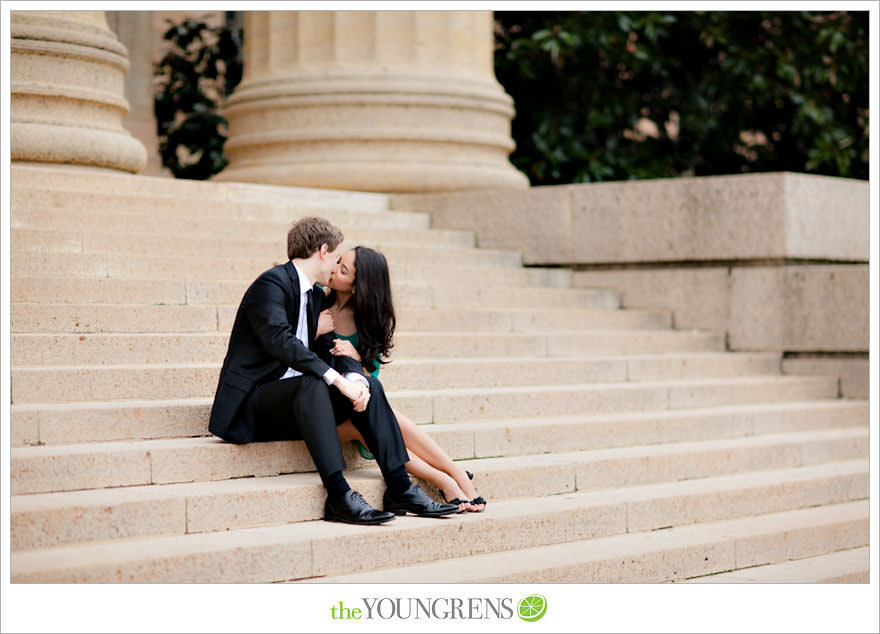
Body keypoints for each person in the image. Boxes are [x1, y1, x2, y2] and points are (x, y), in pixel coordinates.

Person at [208, 217, 458, 525]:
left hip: (300, 406)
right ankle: (339, 495)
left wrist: (355, 380)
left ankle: (401, 487)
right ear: (323, 251)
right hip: (255, 404)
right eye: (337, 257)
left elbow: (333, 350)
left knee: (369, 384)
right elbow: (280, 341)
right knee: (312, 383)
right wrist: (337, 381)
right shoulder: (271, 284)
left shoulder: (314, 297)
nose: (337, 264)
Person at [318, 245, 486, 513]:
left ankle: (455, 473)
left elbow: (370, 384)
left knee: (383, 415)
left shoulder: (368, 322)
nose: (333, 269)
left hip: (357, 405)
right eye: (337, 262)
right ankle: (444, 478)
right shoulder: (317, 302)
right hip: (321, 410)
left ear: (358, 286)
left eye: (343, 269)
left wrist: (357, 360)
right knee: (373, 425)